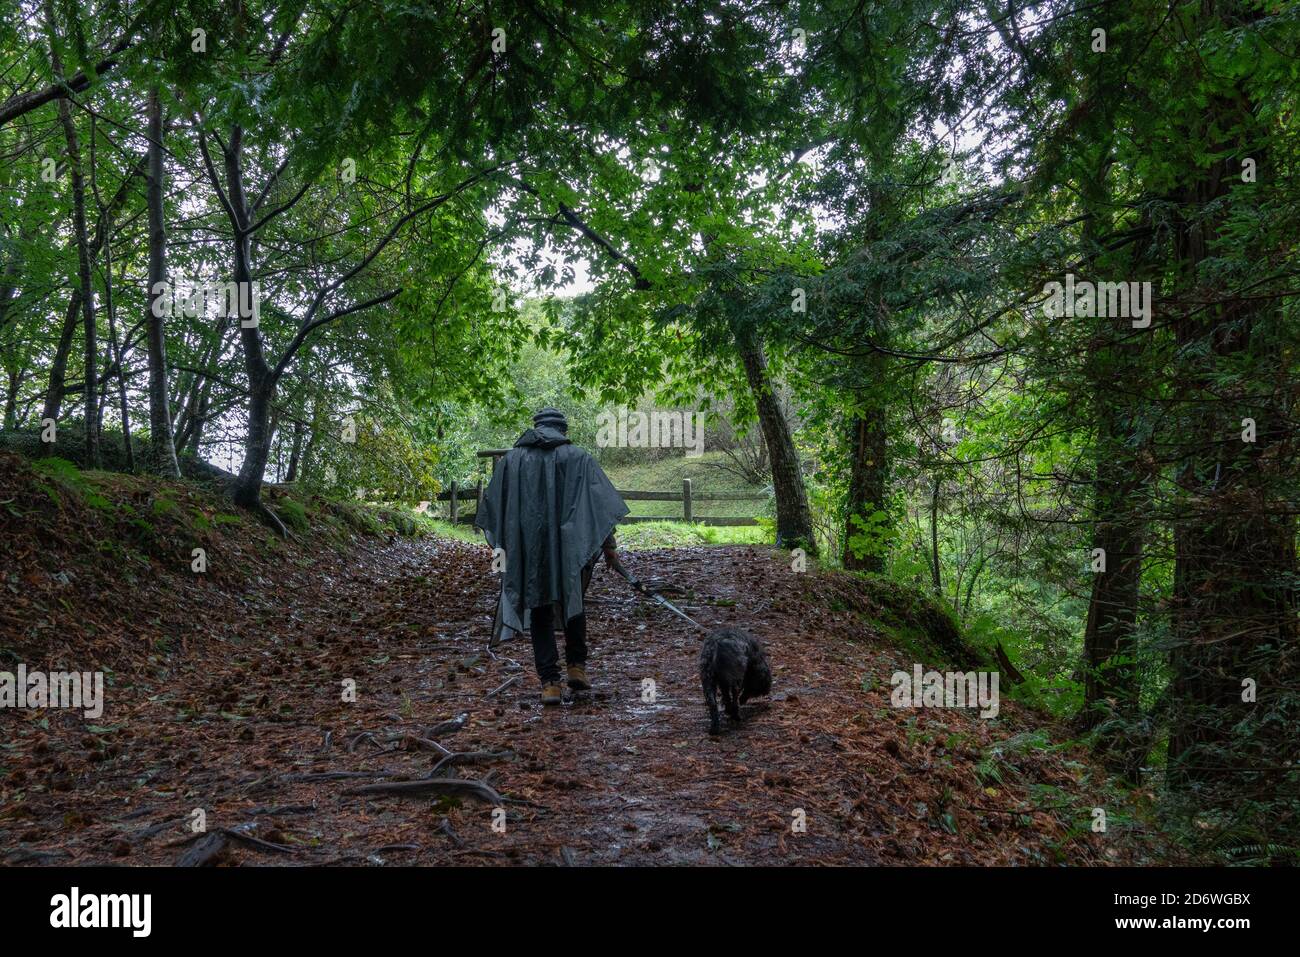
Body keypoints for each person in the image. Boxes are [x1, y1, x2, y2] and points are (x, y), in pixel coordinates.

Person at [474, 408, 642, 705]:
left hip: (530, 550)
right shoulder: (579, 458)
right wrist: (609, 546)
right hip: (570, 549)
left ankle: (550, 683)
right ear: (563, 430)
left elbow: (494, 509)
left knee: (539, 608)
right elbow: (597, 509)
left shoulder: (511, 461)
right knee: (573, 601)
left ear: (537, 427)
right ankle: (576, 667)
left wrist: (505, 551)